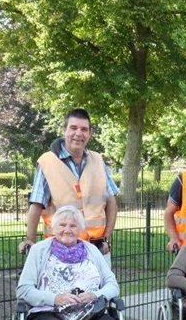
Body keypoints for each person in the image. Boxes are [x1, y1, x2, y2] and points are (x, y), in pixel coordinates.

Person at [18, 108, 119, 262]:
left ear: (90, 133)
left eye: (84, 129)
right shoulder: (47, 162)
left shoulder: (98, 160)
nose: (78, 134)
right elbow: (36, 205)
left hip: (96, 249)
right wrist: (30, 240)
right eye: (73, 128)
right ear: (64, 130)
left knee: (101, 286)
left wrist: (107, 238)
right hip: (60, 249)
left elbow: (111, 202)